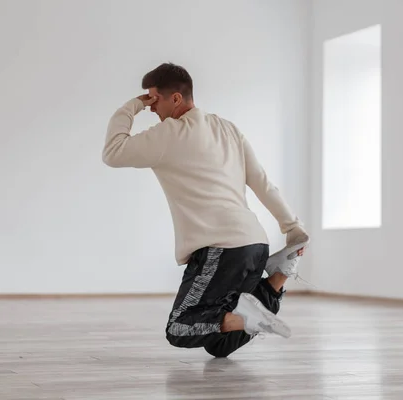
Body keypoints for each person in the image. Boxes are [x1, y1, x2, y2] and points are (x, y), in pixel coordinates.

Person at [102, 62, 310, 358]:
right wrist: (292, 227)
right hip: (254, 244)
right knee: (219, 343)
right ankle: (276, 281)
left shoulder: (168, 135)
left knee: (180, 327)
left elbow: (112, 152)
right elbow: (262, 182)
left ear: (175, 99)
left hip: (221, 249)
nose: (150, 107)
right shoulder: (227, 128)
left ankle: (252, 315)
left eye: (153, 99)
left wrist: (131, 106)